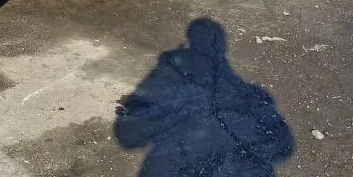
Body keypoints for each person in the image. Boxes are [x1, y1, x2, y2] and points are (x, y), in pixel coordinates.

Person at [114, 18, 293, 176]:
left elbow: (127, 133)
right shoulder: (253, 97)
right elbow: (283, 147)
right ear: (221, 47)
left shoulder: (167, 79)